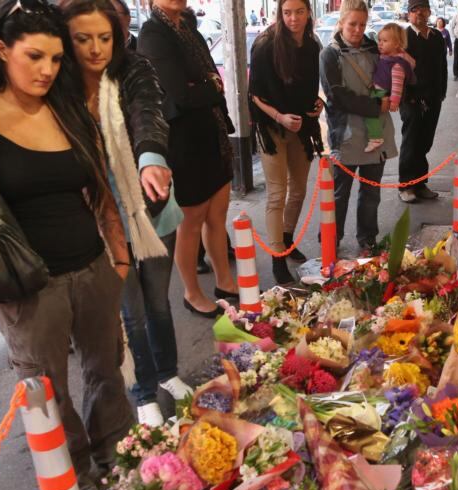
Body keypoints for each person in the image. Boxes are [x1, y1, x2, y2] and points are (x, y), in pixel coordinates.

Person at [0, 0, 134, 490]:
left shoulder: (65, 108)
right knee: (46, 397)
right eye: (35, 56)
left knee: (109, 376)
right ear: (0, 50)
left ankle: (122, 473)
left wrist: (117, 256)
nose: (47, 69)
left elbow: (99, 187)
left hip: (93, 269)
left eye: (56, 59)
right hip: (27, 289)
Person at [62, 0, 193, 427]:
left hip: (151, 213)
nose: (97, 48)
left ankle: (169, 374)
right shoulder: (57, 90)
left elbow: (148, 114)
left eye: (106, 36)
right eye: (84, 38)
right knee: (131, 313)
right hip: (101, 225)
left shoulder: (134, 69)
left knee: (158, 303)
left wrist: (151, 157)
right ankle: (143, 391)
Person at [138, 0, 240, 318]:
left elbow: (210, 80)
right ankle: (192, 293)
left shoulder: (190, 26)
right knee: (191, 223)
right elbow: (180, 94)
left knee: (217, 217)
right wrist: (209, 86)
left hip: (213, 133)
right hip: (183, 141)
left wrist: (206, 85)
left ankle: (225, 283)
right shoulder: (153, 33)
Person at [249, 0, 324, 285]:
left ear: (308, 13)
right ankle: (277, 256)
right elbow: (254, 93)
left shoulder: (312, 44)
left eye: (299, 11)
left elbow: (309, 88)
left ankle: (288, 238)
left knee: (299, 190)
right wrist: (279, 117)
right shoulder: (265, 44)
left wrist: (317, 105)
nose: (293, 18)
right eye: (287, 12)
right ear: (280, 14)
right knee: (277, 194)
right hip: (272, 127)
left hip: (303, 127)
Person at [319, 0, 397, 251]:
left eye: (362, 24)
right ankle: (332, 239)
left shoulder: (375, 48)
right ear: (341, 22)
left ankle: (367, 239)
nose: (357, 29)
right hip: (346, 133)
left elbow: (392, 73)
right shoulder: (329, 54)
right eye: (352, 24)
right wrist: (376, 106)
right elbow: (337, 97)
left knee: (371, 193)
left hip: (377, 133)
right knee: (340, 193)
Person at [398, 0, 446, 204]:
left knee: (425, 142)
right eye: (414, 10)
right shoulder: (404, 38)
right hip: (411, 99)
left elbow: (442, 66)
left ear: (429, 12)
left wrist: (441, 93)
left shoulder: (436, 37)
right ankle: (406, 185)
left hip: (433, 97)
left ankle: (420, 183)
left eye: (423, 10)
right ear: (409, 15)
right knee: (411, 141)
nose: (419, 14)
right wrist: (404, 97)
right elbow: (397, 70)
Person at [363, 22, 415, 152]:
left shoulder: (397, 64)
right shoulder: (388, 57)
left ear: (397, 44)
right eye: (379, 40)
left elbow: (397, 85)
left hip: (381, 92)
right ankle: (374, 136)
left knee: (371, 115)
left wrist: (394, 102)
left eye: (385, 41)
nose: (380, 43)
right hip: (378, 89)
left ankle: (375, 138)